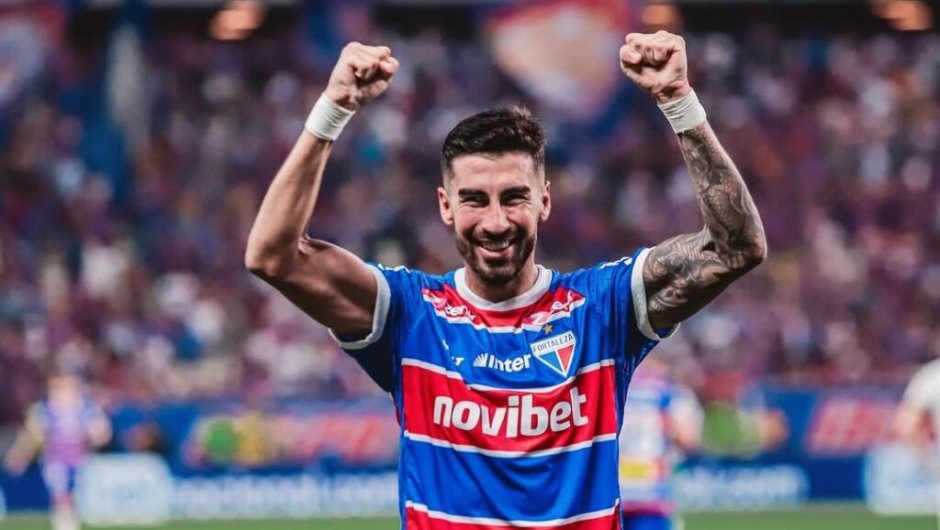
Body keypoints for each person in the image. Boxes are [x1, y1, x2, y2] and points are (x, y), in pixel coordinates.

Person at [246, 31, 766, 529]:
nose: (495, 223)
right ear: (446, 206)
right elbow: (274, 255)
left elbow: (736, 248)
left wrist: (678, 101)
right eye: (475, 200)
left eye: (514, 197)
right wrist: (333, 108)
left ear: (544, 200)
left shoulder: (602, 309)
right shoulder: (409, 314)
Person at [4, 374, 111, 530]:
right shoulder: (45, 410)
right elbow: (32, 435)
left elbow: (101, 433)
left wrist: (96, 433)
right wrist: (20, 454)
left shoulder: (85, 408)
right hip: (55, 459)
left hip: (79, 459)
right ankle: (64, 523)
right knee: (60, 492)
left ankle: (70, 518)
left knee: (74, 492)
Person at [619, 357, 702, 530]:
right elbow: (688, 439)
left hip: (615, 489)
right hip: (652, 491)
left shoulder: (616, 387)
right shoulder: (667, 392)